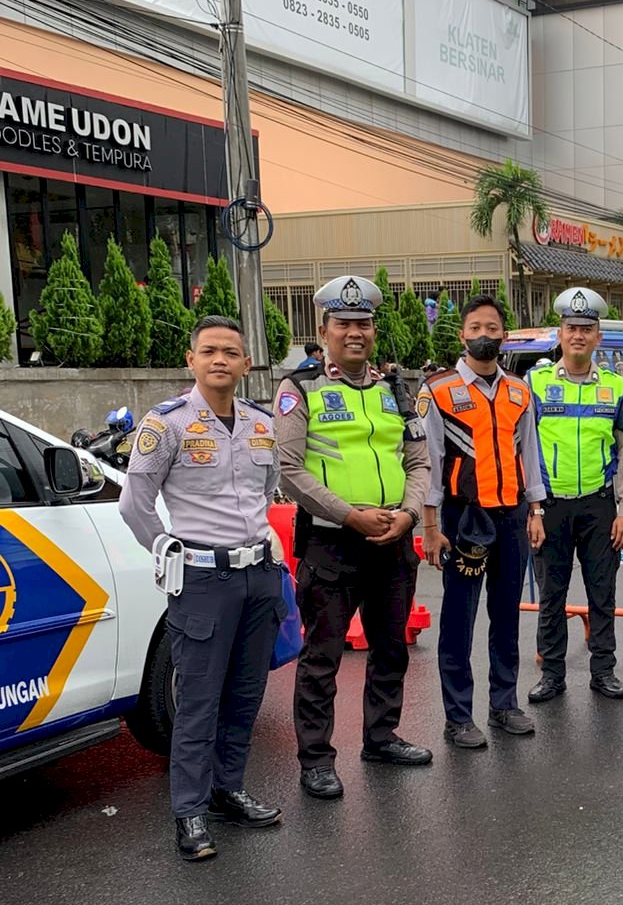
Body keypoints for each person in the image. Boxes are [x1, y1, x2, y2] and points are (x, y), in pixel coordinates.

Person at [119, 316, 283, 861]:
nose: (220, 360)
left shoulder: (261, 423)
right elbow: (134, 501)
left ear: (246, 363)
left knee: (244, 693)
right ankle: (188, 812)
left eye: (231, 352)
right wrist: (164, 547)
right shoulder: (165, 424)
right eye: (209, 351)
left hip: (258, 576)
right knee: (197, 699)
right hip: (204, 579)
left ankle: (226, 789)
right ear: (190, 360)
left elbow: (266, 490)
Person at [275, 274, 432, 801]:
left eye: (363, 323)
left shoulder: (395, 388)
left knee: (390, 649)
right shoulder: (299, 390)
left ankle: (381, 736)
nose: (355, 332)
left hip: (393, 538)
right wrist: (349, 516)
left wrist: (409, 515)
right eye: (344, 323)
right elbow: (289, 471)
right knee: (322, 658)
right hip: (331, 544)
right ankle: (316, 760)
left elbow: (417, 460)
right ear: (324, 331)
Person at [420, 293, 547, 748]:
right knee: (458, 618)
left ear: (504, 335)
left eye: (492, 328)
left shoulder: (519, 391)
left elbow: (529, 454)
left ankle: (504, 705)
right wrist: (430, 526)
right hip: (462, 519)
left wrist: (535, 510)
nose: (483, 335)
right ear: (462, 335)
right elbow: (429, 462)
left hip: (512, 517)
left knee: (506, 615)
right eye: (475, 328)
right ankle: (457, 716)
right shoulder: (437, 391)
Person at [526, 287, 623, 703]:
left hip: (599, 505)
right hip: (550, 505)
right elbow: (523, 449)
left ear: (598, 336)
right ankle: (552, 674)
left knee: (602, 593)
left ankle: (603, 671)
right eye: (571, 327)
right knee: (551, 594)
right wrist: (532, 507)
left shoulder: (615, 387)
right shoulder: (534, 384)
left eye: (586, 329)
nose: (578, 335)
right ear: (560, 333)